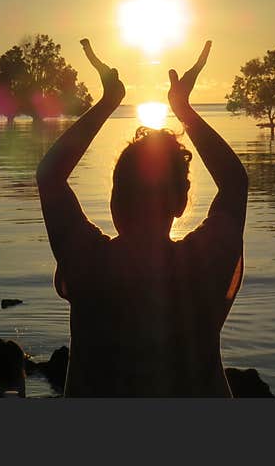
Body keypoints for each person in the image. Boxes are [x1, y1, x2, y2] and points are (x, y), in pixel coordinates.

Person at [36, 39, 248, 396]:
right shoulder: (202, 264)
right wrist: (183, 109)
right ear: (180, 204)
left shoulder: (92, 264)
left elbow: (49, 176)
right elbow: (235, 183)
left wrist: (107, 102)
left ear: (115, 201)